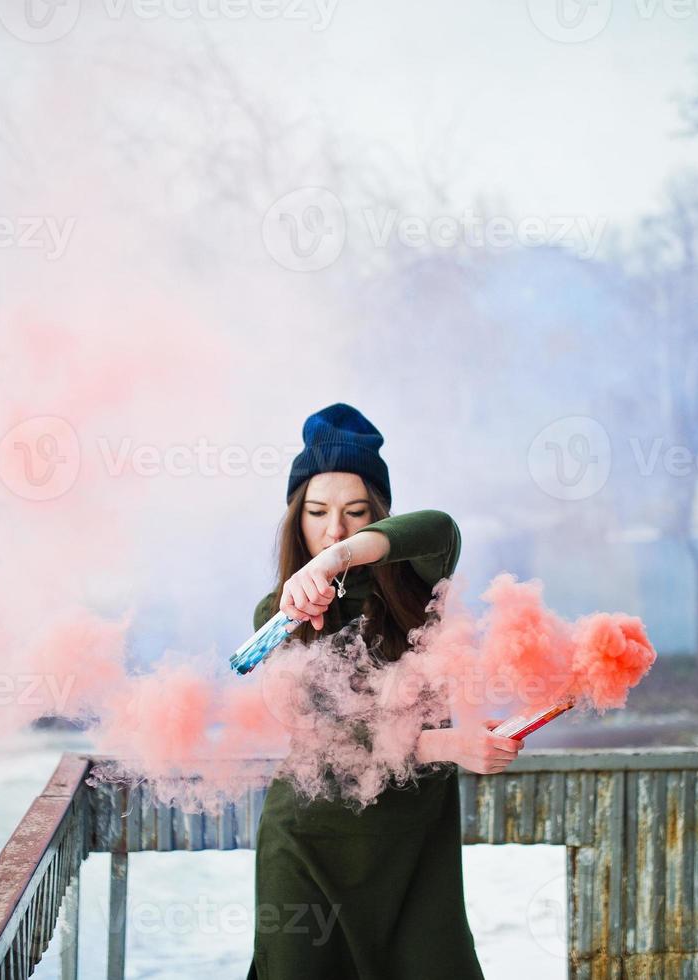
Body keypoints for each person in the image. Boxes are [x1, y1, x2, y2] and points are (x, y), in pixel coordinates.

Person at [246, 403, 525, 980]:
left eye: (355, 512)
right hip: (308, 842)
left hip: (414, 846)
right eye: (317, 513)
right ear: (295, 517)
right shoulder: (277, 615)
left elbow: (439, 526)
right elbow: (327, 738)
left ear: (379, 518)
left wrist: (337, 559)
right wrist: (448, 746)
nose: (334, 528)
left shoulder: (420, 586)